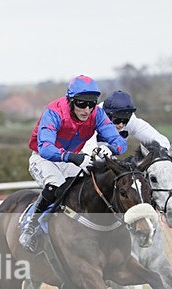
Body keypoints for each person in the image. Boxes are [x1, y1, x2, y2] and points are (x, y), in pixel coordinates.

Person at [19, 75, 128, 252]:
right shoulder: (54, 111)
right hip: (43, 158)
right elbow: (46, 148)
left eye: (92, 104)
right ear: (70, 101)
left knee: (85, 187)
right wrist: (74, 157)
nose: (87, 109)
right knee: (56, 187)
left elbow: (120, 142)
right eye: (81, 104)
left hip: (71, 158)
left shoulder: (97, 114)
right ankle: (30, 225)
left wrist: (111, 148)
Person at [82, 90, 170, 154]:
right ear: (106, 115)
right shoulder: (91, 118)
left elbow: (161, 140)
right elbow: (89, 150)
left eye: (125, 120)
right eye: (117, 120)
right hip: (77, 155)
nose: (121, 125)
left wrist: (162, 153)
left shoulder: (132, 121)